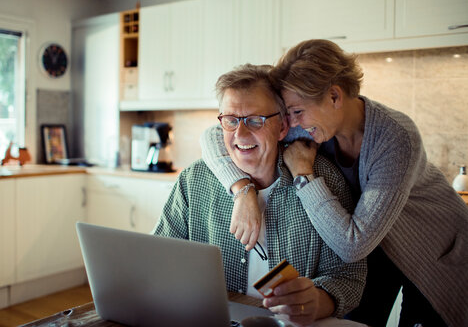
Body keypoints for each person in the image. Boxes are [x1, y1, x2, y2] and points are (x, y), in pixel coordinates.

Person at [199, 39, 468, 327]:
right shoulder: (313, 122)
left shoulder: (396, 138)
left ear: (335, 97)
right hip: (376, 246)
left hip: (437, 250)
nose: (292, 122)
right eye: (289, 113)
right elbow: (215, 135)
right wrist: (243, 190)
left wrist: (303, 174)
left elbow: (352, 245)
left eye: (297, 112)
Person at [153, 64, 366, 326]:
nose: (240, 134)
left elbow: (349, 277)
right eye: (230, 120)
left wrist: (319, 301)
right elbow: (158, 259)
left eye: (255, 120)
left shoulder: (323, 179)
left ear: (283, 126)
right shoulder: (194, 180)